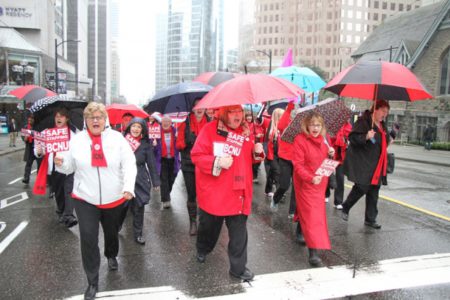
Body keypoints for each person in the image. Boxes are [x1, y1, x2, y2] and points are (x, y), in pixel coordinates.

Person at [54, 102, 137, 300]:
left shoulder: (117, 139)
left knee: (111, 234)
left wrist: (128, 187)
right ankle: (92, 280)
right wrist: (61, 163)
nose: (95, 120)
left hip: (114, 198)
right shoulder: (77, 140)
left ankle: (111, 254)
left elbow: (129, 163)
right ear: (86, 120)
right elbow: (68, 167)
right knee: (88, 238)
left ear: (105, 119)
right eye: (91, 117)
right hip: (85, 198)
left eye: (99, 116)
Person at [191, 105, 264, 281]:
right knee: (209, 228)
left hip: (238, 191)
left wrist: (257, 152)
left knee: (239, 233)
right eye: (232, 112)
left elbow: (249, 158)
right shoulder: (210, 130)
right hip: (216, 192)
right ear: (224, 114)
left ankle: (238, 269)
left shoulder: (246, 132)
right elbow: (196, 155)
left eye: (239, 111)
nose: (237, 115)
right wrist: (217, 161)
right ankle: (203, 248)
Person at [292, 112, 335, 267]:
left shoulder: (324, 142)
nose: (315, 128)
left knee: (312, 214)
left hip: (320, 184)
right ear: (306, 125)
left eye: (318, 125)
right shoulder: (300, 140)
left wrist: (330, 154)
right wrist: (310, 178)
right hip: (306, 184)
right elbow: (298, 165)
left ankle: (300, 228)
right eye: (312, 124)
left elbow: (325, 163)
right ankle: (313, 253)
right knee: (312, 216)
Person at [341, 100, 391, 229]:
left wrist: (389, 140)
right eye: (383, 111)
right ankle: (346, 206)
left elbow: (383, 141)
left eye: (386, 112)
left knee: (374, 191)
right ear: (376, 109)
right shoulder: (363, 121)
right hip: (363, 161)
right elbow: (352, 138)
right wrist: (366, 137)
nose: (385, 115)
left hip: (377, 163)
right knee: (362, 187)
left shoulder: (382, 125)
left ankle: (370, 219)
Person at [34, 108, 78, 228]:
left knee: (69, 191)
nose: (59, 118)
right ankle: (61, 211)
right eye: (57, 116)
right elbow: (38, 149)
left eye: (62, 116)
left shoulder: (73, 133)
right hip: (54, 168)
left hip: (69, 168)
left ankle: (69, 215)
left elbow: (77, 150)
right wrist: (39, 151)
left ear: (67, 118)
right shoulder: (46, 132)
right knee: (59, 193)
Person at [122, 118, 160, 245]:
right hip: (124, 178)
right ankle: (116, 227)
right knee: (122, 207)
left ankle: (138, 234)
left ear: (143, 130)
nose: (136, 129)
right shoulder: (122, 141)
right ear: (129, 127)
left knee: (139, 207)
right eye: (134, 126)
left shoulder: (145, 145)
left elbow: (152, 163)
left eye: (139, 127)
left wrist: (156, 181)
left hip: (140, 179)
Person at [176, 101, 209, 235]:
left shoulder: (210, 123)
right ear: (193, 109)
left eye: (202, 106)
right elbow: (178, 144)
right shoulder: (185, 123)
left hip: (205, 164)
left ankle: (204, 221)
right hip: (189, 163)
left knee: (205, 194)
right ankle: (193, 222)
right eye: (197, 107)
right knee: (192, 194)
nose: (200, 109)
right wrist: (186, 142)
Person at [154, 115, 180, 209]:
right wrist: (154, 144)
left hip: (174, 159)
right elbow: (153, 148)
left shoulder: (176, 132)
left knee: (171, 179)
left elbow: (181, 145)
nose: (165, 123)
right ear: (161, 123)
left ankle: (166, 194)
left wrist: (178, 138)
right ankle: (166, 200)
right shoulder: (157, 132)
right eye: (164, 122)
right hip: (162, 159)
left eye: (167, 122)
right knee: (164, 179)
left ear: (171, 123)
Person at [264, 108, 284, 197]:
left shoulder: (283, 127)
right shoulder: (271, 127)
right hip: (271, 155)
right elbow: (267, 142)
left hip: (280, 155)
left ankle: (268, 190)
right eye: (281, 116)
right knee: (277, 171)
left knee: (271, 173)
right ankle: (278, 191)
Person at [332, 121, 352, 209]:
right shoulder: (333, 124)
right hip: (331, 153)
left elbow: (351, 138)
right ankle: (326, 194)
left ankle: (338, 201)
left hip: (341, 156)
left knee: (340, 178)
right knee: (327, 176)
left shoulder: (348, 126)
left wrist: (346, 139)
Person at [22, 115, 41, 184]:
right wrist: (25, 138)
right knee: (28, 164)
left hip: (38, 148)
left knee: (39, 164)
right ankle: (26, 178)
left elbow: (41, 136)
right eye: (29, 119)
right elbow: (23, 138)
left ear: (34, 120)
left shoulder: (38, 126)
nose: (29, 120)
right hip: (30, 148)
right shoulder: (26, 127)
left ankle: (39, 179)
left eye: (31, 119)